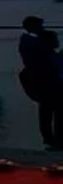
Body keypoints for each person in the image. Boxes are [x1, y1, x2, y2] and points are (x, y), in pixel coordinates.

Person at [18, 16, 62, 149]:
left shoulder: (32, 42)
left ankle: (51, 139)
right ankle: (55, 139)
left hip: (43, 81)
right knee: (54, 111)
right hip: (47, 82)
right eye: (40, 25)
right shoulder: (34, 44)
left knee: (47, 111)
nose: (42, 27)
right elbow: (50, 61)